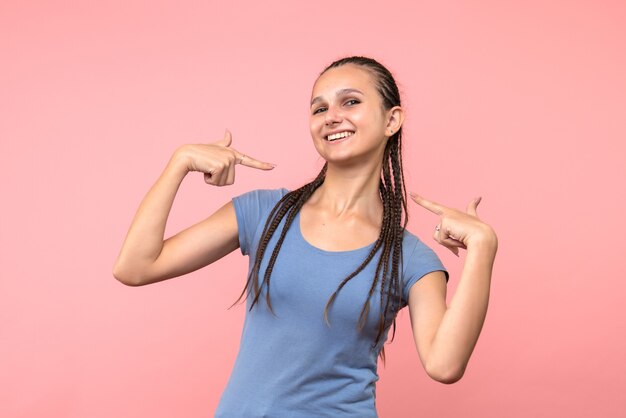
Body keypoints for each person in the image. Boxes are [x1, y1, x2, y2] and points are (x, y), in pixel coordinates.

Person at [113, 56, 498, 418]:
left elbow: (445, 364)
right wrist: (178, 162)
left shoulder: (409, 258)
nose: (332, 117)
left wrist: (482, 247)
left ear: (391, 120)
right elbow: (135, 267)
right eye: (319, 108)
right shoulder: (265, 213)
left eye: (350, 102)